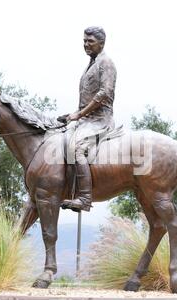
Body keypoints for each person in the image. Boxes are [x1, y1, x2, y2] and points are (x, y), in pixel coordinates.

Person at [61, 26, 117, 212]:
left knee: (77, 149)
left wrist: (79, 114)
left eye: (90, 41)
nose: (86, 44)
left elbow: (104, 93)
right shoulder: (91, 64)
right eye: (84, 41)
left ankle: (85, 198)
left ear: (101, 43)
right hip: (85, 119)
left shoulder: (106, 63)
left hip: (100, 120)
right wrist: (72, 116)